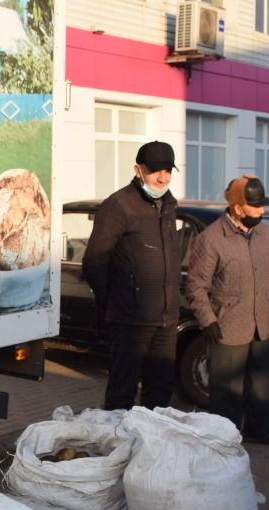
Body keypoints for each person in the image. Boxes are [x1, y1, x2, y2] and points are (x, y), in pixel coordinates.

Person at [184, 175, 269, 445]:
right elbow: (195, 286)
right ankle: (225, 441)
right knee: (227, 392)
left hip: (261, 326)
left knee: (262, 384)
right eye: (256, 206)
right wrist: (208, 320)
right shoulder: (211, 239)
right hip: (227, 327)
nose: (262, 211)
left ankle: (259, 430)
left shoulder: (264, 233)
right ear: (239, 208)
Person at [82, 141, 183, 410]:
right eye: (154, 171)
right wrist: (115, 300)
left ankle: (152, 449)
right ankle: (118, 448)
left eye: (167, 171)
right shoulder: (118, 206)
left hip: (166, 320)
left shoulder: (169, 205)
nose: (162, 178)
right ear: (137, 170)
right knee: (121, 394)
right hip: (130, 322)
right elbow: (94, 261)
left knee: (160, 395)